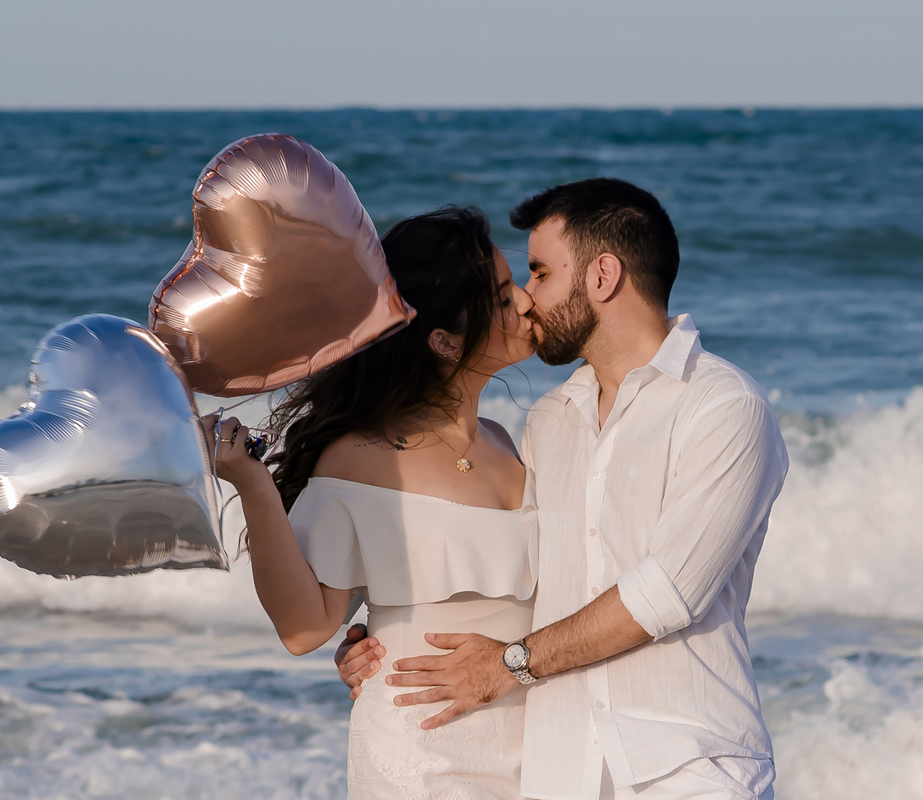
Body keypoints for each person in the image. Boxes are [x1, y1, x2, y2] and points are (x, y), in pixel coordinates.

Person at [337, 179, 789, 800]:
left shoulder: (723, 407)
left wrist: (509, 663)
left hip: (690, 770)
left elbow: (667, 593)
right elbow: (524, 569)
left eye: (541, 272)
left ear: (603, 277)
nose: (526, 299)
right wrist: (389, 633)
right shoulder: (550, 419)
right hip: (559, 773)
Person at [206, 206, 538, 799]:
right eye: (503, 295)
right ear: (443, 339)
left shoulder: (507, 443)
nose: (527, 304)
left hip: (535, 755)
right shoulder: (362, 456)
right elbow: (305, 628)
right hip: (422, 755)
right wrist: (254, 488)